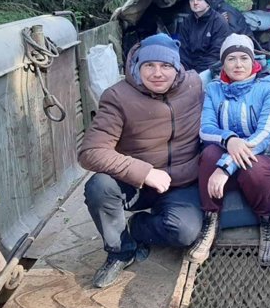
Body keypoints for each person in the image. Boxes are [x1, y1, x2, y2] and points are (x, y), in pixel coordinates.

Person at [79, 34, 204, 288]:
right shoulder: (118, 97)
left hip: (182, 181)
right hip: (136, 184)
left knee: (185, 233)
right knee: (99, 187)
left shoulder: (194, 85)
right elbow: (90, 151)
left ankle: (139, 227)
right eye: (149, 65)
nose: (158, 73)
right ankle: (120, 251)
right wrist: (144, 172)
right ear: (137, 66)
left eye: (166, 66)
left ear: (178, 67)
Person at [187, 34, 270, 266]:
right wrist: (229, 139)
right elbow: (206, 128)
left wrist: (226, 165)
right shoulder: (213, 89)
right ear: (223, 63)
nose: (238, 64)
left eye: (244, 58)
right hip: (225, 153)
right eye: (231, 58)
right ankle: (211, 220)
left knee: (254, 166)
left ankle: (268, 222)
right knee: (209, 153)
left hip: (266, 158)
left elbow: (265, 135)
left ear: (254, 61)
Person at [178, 0, 231, 73]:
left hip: (210, 68)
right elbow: (183, 51)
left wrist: (197, 73)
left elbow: (216, 54)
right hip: (189, 68)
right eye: (191, 0)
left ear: (207, 2)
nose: (195, 3)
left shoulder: (219, 22)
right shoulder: (186, 22)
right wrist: (185, 71)